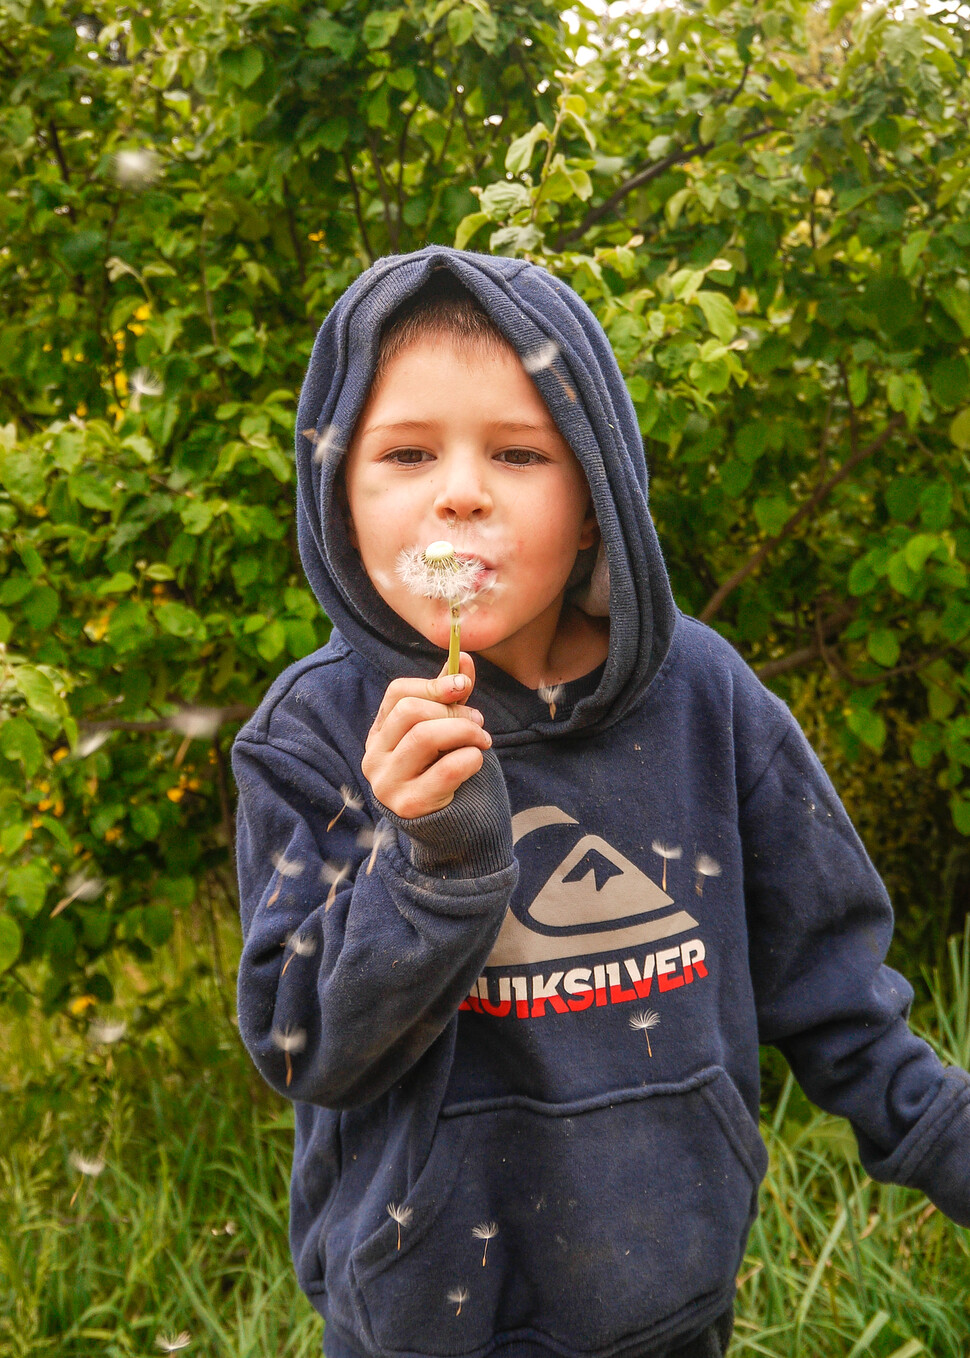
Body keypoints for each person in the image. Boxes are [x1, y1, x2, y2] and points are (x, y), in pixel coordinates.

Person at [231, 247, 970, 1358]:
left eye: (518, 452)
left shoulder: (705, 700)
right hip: (413, 1320)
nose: (461, 489)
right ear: (341, 497)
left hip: (664, 1305)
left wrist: (945, 1137)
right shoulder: (316, 735)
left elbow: (839, 997)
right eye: (407, 452)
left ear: (594, 505)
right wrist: (430, 861)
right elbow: (305, 1047)